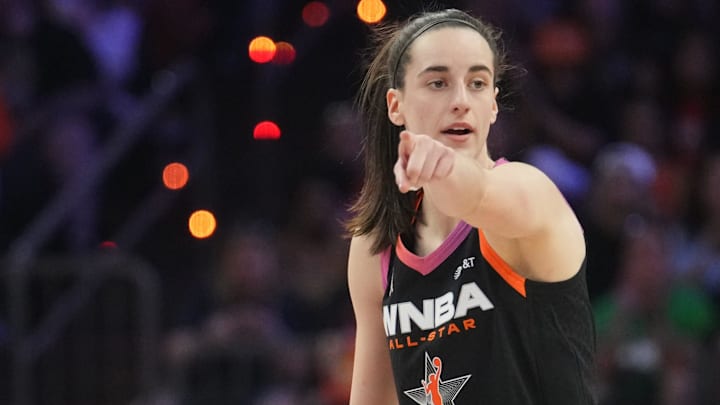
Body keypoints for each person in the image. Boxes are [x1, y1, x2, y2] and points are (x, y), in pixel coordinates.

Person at [344, 8, 597, 404]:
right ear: (396, 105)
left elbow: (476, 195)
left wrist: (443, 168)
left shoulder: (530, 190)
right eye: (438, 83)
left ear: (494, 105)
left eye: (477, 83)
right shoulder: (375, 243)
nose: (461, 100)